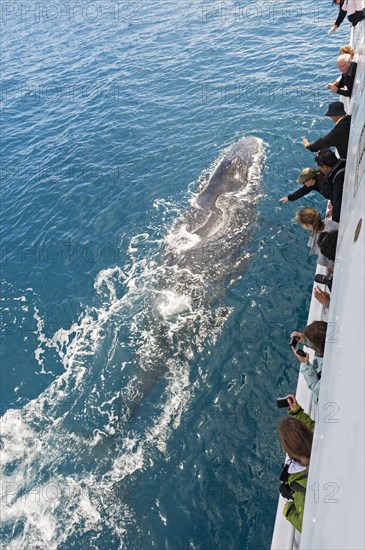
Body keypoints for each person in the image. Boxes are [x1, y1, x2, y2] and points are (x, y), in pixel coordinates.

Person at [278, 395, 314, 533]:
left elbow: (304, 525)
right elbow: (311, 428)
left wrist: (289, 511)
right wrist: (297, 412)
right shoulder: (321, 437)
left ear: (286, 450)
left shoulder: (300, 487)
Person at [290, 321, 328, 402]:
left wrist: (305, 363)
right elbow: (320, 345)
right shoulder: (328, 344)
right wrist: (304, 339)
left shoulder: (328, 369)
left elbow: (318, 389)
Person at [315, 149, 346, 222]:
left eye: (320, 167)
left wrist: (334, 222)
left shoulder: (337, 180)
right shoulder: (343, 162)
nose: (320, 169)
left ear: (325, 167)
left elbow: (337, 203)